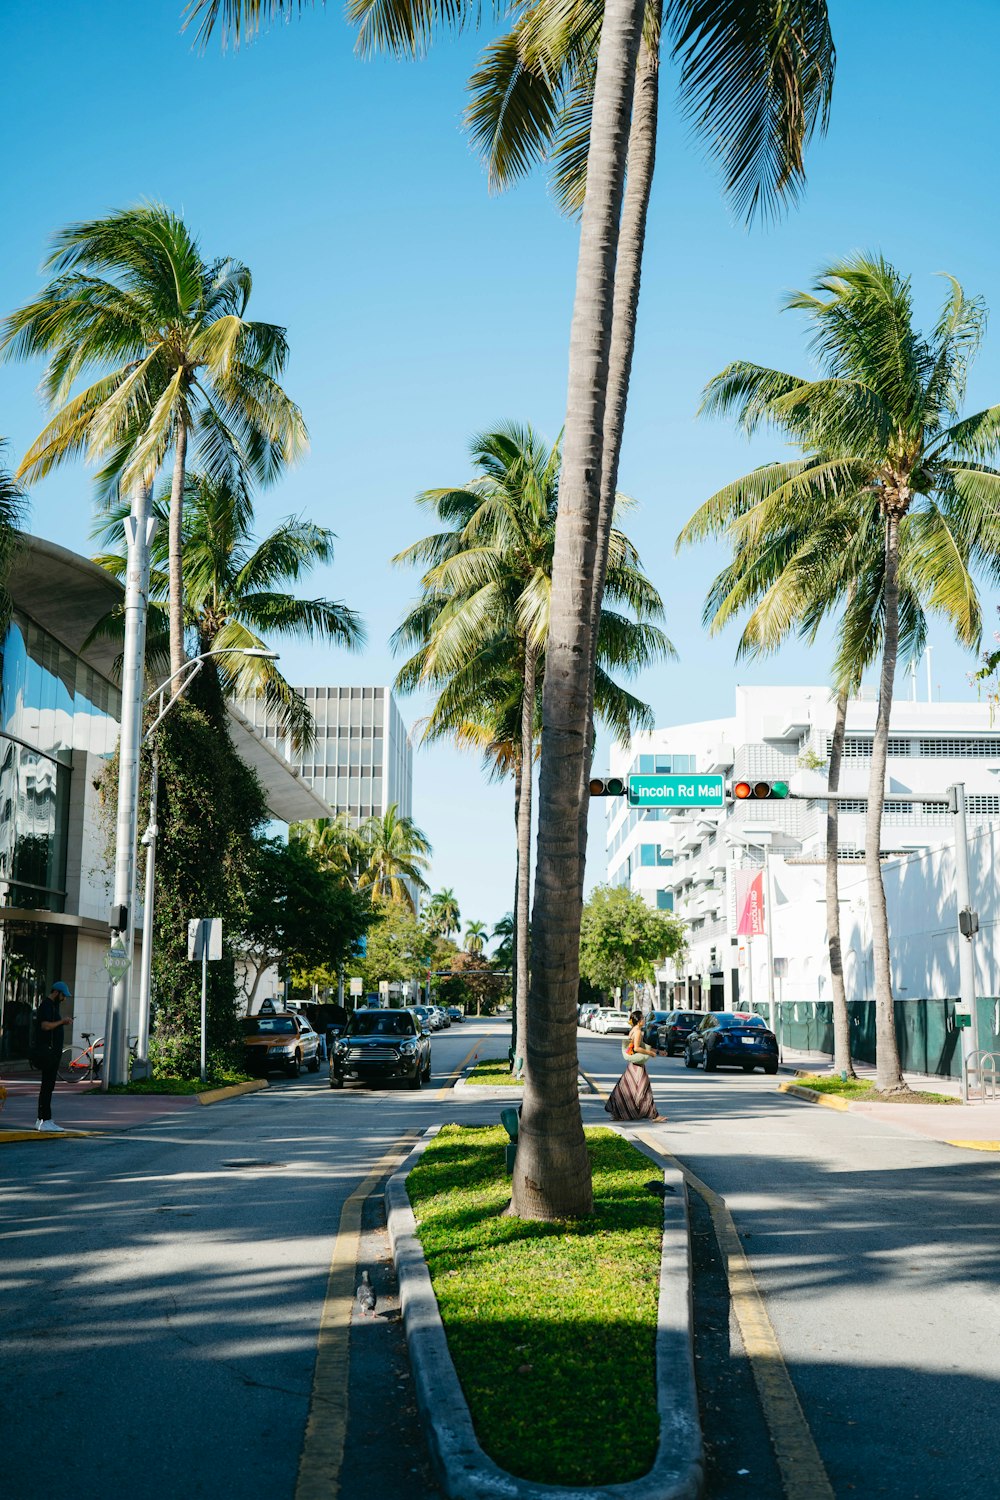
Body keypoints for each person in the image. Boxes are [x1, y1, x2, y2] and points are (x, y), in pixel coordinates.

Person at [604, 1007, 666, 1123]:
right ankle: (654, 1116)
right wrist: (650, 1053)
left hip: (633, 1066)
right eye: (643, 1018)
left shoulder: (634, 1030)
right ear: (639, 1020)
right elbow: (637, 1048)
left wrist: (657, 1051)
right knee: (644, 1089)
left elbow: (641, 1045)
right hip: (637, 1066)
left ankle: (618, 1113)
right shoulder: (637, 1032)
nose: (644, 1020)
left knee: (625, 1088)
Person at [35, 981, 73, 1133]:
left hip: (51, 1052)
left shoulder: (52, 1006)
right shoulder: (47, 1006)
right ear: (57, 993)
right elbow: (45, 1026)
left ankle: (42, 1119)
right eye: (63, 996)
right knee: (47, 1086)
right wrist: (62, 1021)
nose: (64, 999)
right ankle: (46, 1120)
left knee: (47, 1086)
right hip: (48, 1053)